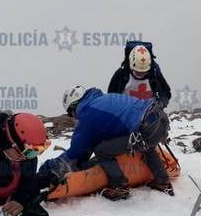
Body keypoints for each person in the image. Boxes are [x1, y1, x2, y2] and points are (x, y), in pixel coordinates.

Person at [38, 86, 173, 200]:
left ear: (74, 107)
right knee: (146, 147)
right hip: (158, 120)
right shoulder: (102, 100)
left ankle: (120, 186)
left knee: (102, 151)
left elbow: (77, 151)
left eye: (70, 113)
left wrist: (51, 166)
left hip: (146, 128)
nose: (73, 117)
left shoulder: (88, 112)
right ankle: (163, 181)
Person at [108, 41, 172, 108]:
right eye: (138, 72)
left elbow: (166, 93)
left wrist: (161, 104)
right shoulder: (122, 74)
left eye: (144, 72)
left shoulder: (154, 73)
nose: (141, 74)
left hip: (149, 113)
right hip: (126, 113)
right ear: (131, 65)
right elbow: (111, 97)